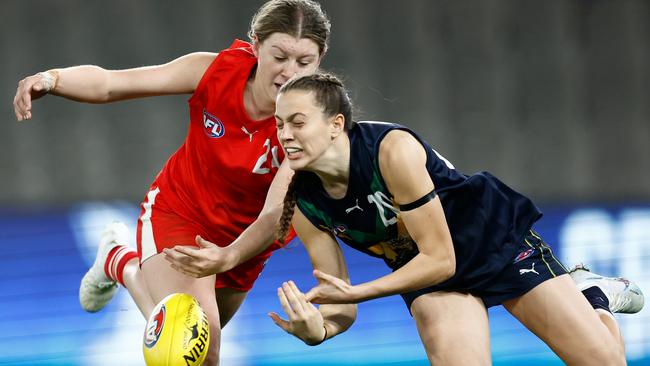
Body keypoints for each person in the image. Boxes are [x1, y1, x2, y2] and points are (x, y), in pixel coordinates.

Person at [12, 1, 330, 364]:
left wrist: (230, 255)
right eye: (280, 57)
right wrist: (52, 79)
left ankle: (119, 260)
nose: (289, 73)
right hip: (183, 212)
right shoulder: (215, 70)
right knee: (193, 351)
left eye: (304, 63)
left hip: (246, 242)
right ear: (256, 45)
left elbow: (276, 211)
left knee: (186, 344)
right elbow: (114, 83)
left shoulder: (313, 125)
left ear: (319, 61)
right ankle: (125, 260)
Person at [267, 73, 645, 364]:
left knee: (604, 361)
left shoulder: (391, 150)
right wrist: (318, 329)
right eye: (280, 124)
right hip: (426, 272)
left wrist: (359, 293)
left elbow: (441, 257)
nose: (285, 134)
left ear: (335, 124)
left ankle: (592, 293)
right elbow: (339, 306)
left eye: (297, 122)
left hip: (488, 241)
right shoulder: (303, 201)